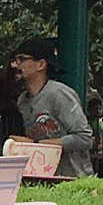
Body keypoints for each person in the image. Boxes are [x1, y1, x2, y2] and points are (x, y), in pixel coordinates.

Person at [9, 37, 92, 177]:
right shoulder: (22, 101)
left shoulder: (59, 94)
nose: (15, 65)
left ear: (41, 64)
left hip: (74, 180)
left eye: (21, 59)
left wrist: (35, 144)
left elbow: (85, 138)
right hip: (44, 180)